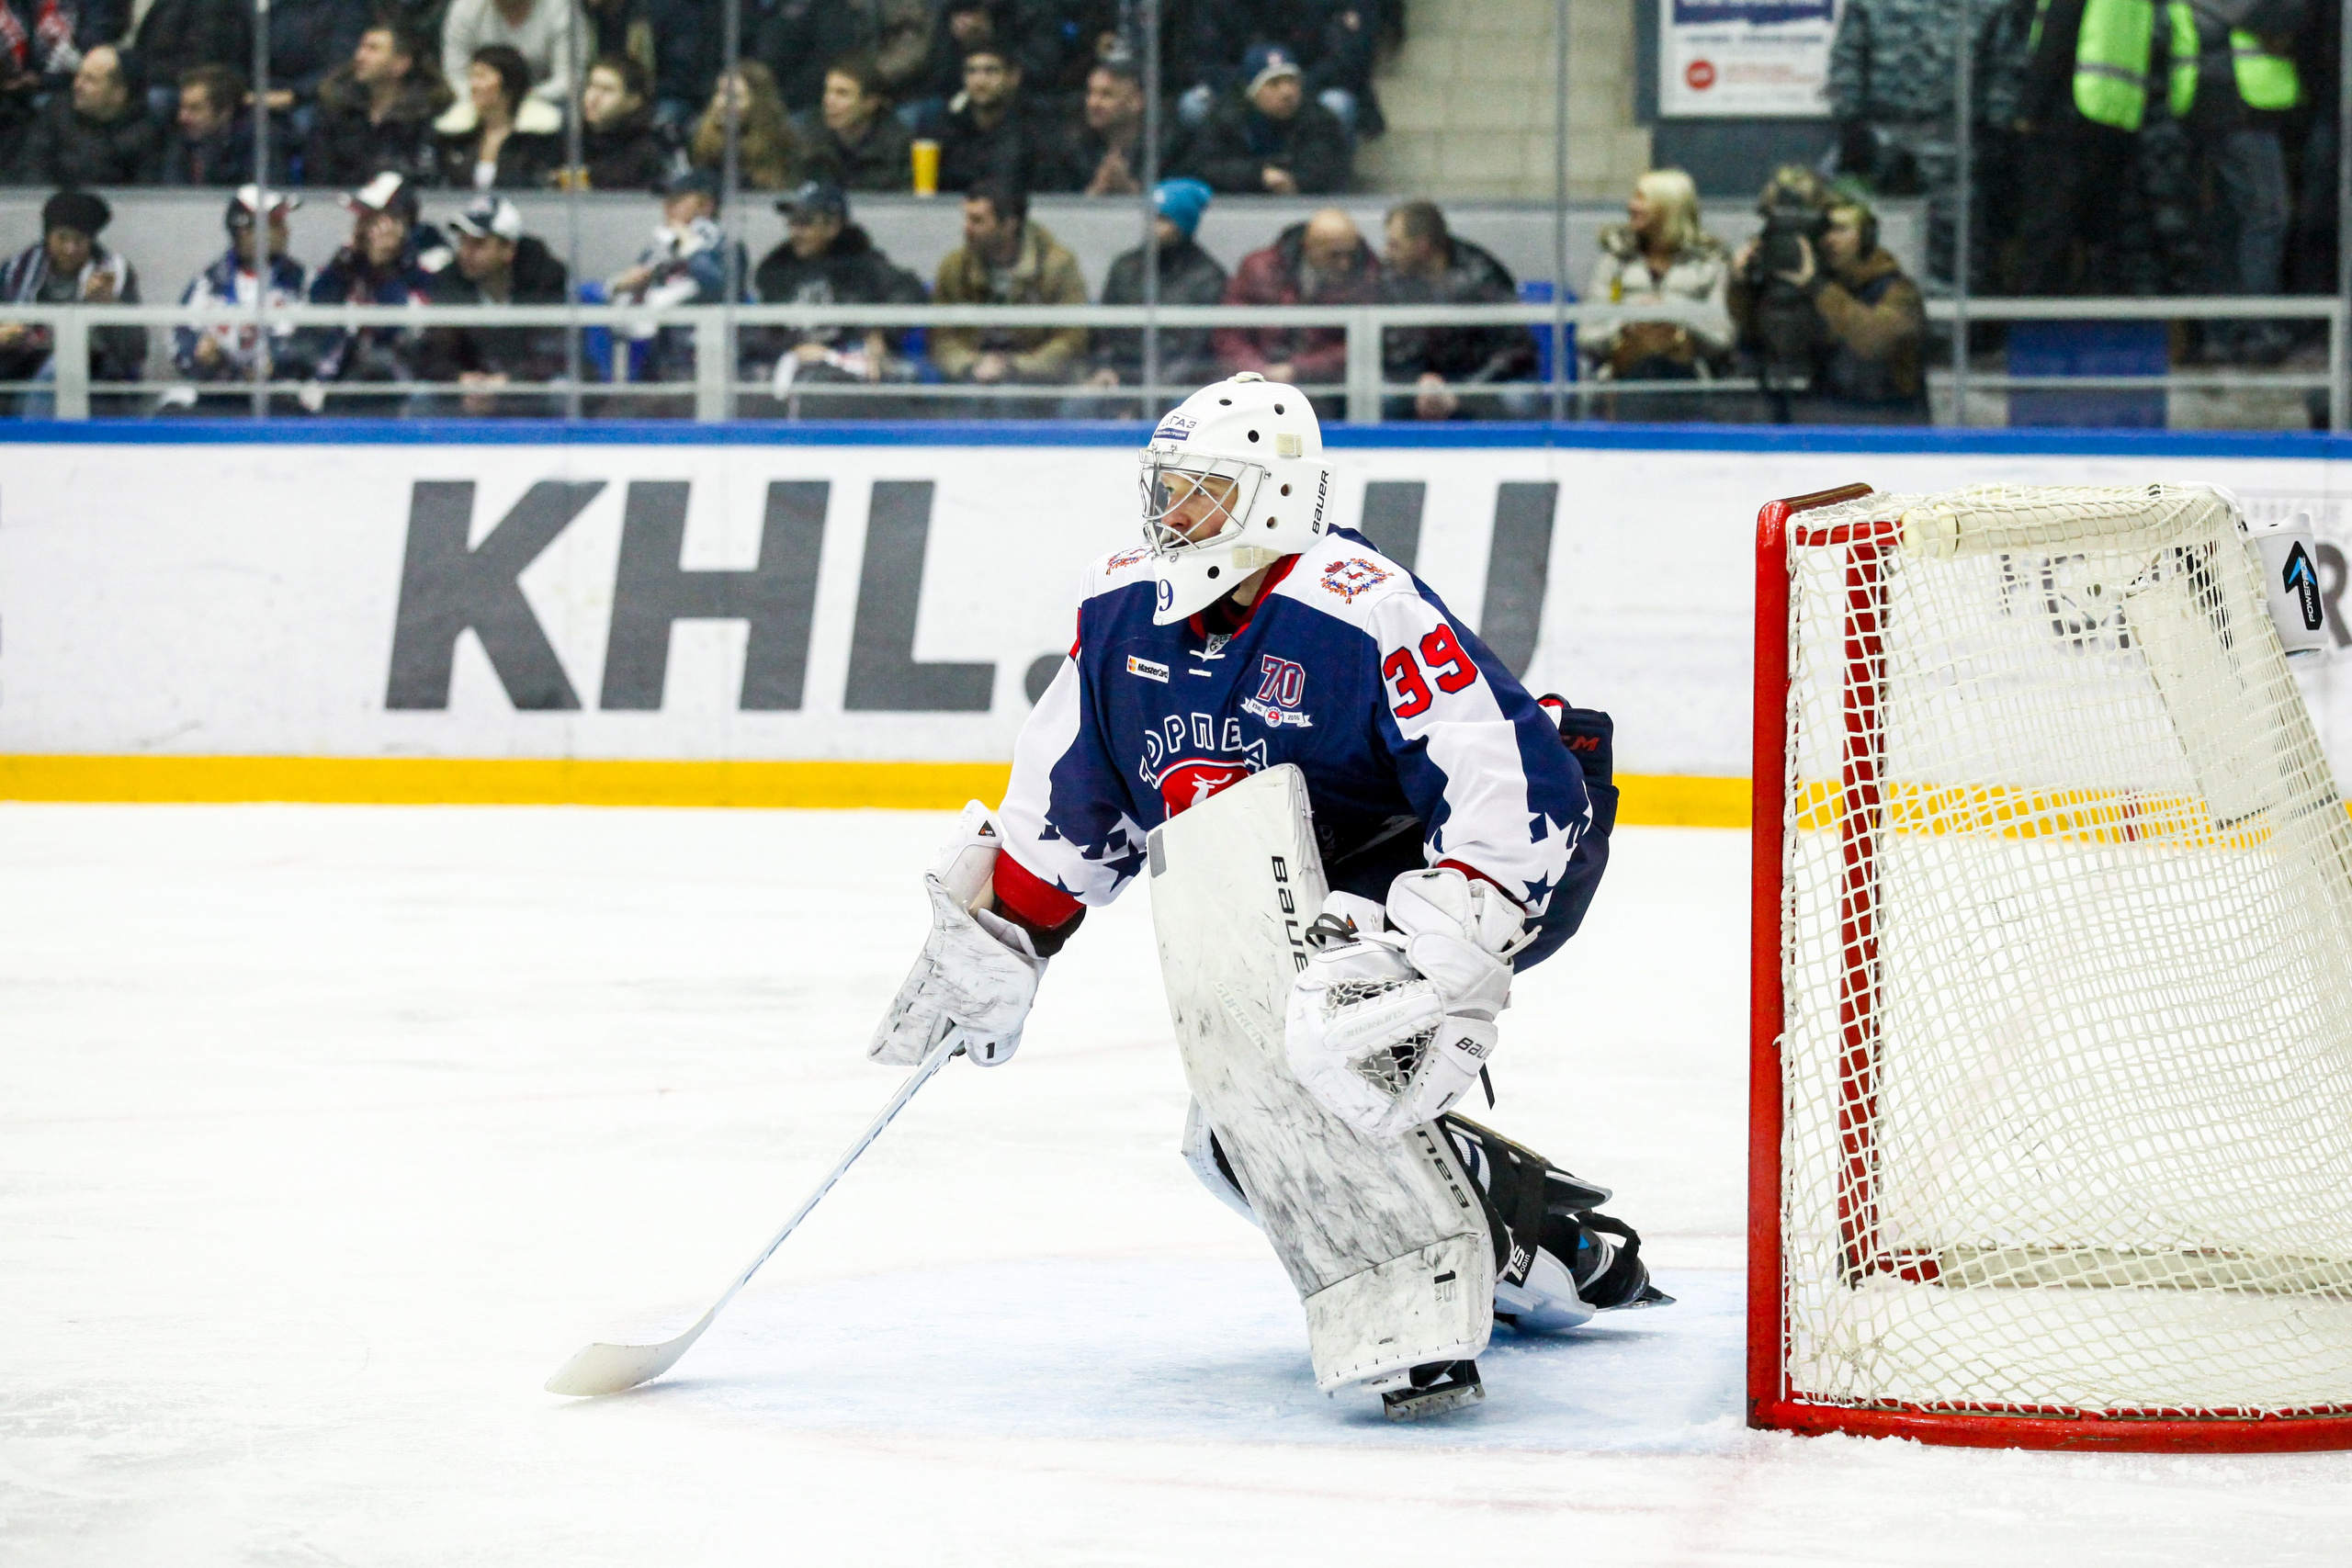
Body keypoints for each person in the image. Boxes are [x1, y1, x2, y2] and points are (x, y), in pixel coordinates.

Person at [867, 371, 1661, 1419]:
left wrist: (1448, 950)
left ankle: (1425, 1303)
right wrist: (999, 935)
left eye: (1201, 492)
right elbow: (1068, 800)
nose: (1169, 514)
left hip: (1498, 850)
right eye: (1166, 488)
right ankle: (1547, 1242)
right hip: (1320, 879)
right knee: (1231, 1136)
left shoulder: (1356, 603)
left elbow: (1513, 784)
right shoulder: (1120, 611)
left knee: (1328, 1040)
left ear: (1275, 500)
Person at [1825, 0, 2008, 288]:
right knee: (1862, 240)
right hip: (1881, 135)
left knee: (1958, 250)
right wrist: (1850, 123)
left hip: (1955, 140)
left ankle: (1946, 329)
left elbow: (2004, 66)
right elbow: (1848, 54)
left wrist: (1998, 130)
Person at [2166, 0, 2306, 363]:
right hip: (2236, 107)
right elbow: (2280, 15)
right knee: (2268, 216)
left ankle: (2220, 332)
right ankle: (2258, 329)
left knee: (2228, 224)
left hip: (2216, 105)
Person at [1730, 193, 1927, 423]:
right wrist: (1743, 285)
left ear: (1866, 237)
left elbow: (1875, 340)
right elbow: (1766, 337)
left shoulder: (1897, 290)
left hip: (1888, 424)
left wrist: (1816, 286)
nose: (1830, 240)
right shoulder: (1818, 287)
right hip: (1826, 418)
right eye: (1824, 231)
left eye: (1841, 229)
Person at [747, 180, 927, 417]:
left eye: (805, 223)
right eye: (792, 223)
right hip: (789, 366)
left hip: (847, 364)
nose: (795, 233)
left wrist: (878, 331)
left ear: (832, 227)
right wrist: (792, 348)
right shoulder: (776, 271)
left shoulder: (862, 264)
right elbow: (767, 333)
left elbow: (909, 292)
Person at [1580, 168, 1733, 417]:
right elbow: (1587, 336)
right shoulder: (1615, 261)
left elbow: (1723, 337)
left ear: (1668, 207)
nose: (1632, 206)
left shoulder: (1710, 263)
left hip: (1690, 380)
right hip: (1622, 380)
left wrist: (1675, 314)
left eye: (1642, 199)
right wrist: (1627, 323)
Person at [292, 170, 444, 412]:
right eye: (362, 216)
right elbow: (316, 310)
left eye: (372, 217)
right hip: (337, 377)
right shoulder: (353, 260)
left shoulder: (430, 261)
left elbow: (398, 327)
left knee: (377, 368)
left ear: (400, 220)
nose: (362, 225)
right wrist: (341, 267)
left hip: (401, 383)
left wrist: (384, 268)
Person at [929, 176, 1087, 403]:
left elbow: (1072, 340)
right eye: (966, 218)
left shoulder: (1057, 265)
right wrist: (970, 365)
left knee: (1012, 398)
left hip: (1040, 384)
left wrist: (1015, 367)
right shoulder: (954, 267)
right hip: (972, 378)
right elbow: (940, 338)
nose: (967, 228)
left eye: (977, 220)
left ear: (1009, 224)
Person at [1213, 207, 1379, 420]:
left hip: (1326, 389)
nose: (1344, 264)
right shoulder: (1259, 269)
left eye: (1350, 254)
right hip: (1253, 384)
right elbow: (1229, 332)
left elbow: (1364, 345)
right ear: (1309, 246)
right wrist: (1256, 371)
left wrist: (1298, 369)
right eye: (1334, 255)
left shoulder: (1368, 276)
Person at [1378, 198, 1535, 422]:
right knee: (1380, 396)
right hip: (1418, 382)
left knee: (1519, 399)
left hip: (1478, 380)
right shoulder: (1389, 278)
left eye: (1395, 245)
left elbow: (1516, 349)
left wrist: (1462, 392)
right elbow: (1387, 346)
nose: (1386, 253)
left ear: (1422, 246)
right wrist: (1417, 382)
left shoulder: (1482, 276)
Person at [415, 194, 571, 415]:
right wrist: (459, 379)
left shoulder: (544, 282)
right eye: (463, 242)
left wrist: (510, 382)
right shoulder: (449, 283)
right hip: (467, 400)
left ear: (508, 250)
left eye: (478, 244)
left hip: (529, 395)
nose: (465, 253)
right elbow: (431, 352)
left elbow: (557, 353)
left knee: (562, 391)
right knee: (423, 394)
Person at [1080, 176, 1227, 407]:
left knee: (1184, 406)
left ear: (1183, 225)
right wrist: (1104, 368)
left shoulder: (1208, 277)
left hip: (1175, 385)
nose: (1153, 227)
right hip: (1122, 376)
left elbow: (1194, 352)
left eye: (1163, 219)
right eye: (1151, 217)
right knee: (1081, 403)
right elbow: (1103, 331)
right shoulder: (1125, 267)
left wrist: (1146, 397)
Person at [0, 188, 147, 414]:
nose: (70, 248)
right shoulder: (16, 272)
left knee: (61, 368)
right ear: (48, 236)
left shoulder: (114, 273)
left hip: (95, 381)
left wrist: (109, 306)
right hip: (20, 373)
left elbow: (136, 350)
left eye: (78, 240)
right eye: (62, 238)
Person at [164, 186, 308, 412]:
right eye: (276, 224)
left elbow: (313, 343)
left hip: (277, 393)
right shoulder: (208, 282)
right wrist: (201, 355)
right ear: (244, 232)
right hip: (216, 390)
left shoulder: (301, 281)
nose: (286, 231)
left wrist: (277, 362)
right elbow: (179, 339)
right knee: (172, 411)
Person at [606, 167, 743, 385]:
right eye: (666, 199)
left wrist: (690, 246)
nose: (667, 207)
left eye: (677, 199)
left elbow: (721, 288)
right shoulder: (660, 246)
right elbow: (633, 296)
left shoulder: (726, 246)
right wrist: (621, 285)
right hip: (659, 357)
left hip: (708, 359)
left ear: (706, 205)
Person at [1182, 42, 1351, 197]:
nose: (1287, 92)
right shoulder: (1226, 119)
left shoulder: (1318, 119)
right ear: (1252, 92)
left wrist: (1294, 181)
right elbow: (1201, 167)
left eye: (1292, 81)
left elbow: (1330, 170)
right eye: (1274, 83)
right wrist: (1258, 176)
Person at [305, 20, 450, 190]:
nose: (360, 56)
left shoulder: (428, 114)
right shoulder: (336, 108)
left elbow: (428, 176)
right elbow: (318, 173)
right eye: (362, 47)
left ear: (401, 64)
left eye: (373, 49)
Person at [15, 44, 158, 187]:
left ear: (119, 93)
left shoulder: (145, 133)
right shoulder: (57, 112)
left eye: (90, 80)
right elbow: (33, 166)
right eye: (79, 75)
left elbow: (144, 194)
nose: (77, 85)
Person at [435, 43, 564, 189]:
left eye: (481, 76)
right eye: (471, 76)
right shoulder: (454, 137)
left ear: (508, 82)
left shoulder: (539, 139)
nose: (473, 85)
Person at [934, 41, 1058, 193]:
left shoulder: (1034, 129)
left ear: (1014, 76)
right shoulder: (947, 127)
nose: (980, 81)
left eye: (991, 71)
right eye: (972, 71)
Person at [797, 53, 913, 192]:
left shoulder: (898, 144)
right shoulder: (808, 135)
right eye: (828, 91)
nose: (829, 101)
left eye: (842, 93)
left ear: (871, 102)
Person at [555, 52, 673, 190]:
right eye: (592, 86)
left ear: (634, 100)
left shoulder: (646, 154)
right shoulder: (569, 142)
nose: (593, 98)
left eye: (607, 90)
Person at [439, 0, 581, 110]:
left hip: (543, 100)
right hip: (478, 100)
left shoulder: (560, 9)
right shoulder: (465, 7)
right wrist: (480, 102)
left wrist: (519, 103)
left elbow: (569, 79)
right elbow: (457, 74)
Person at [688, 60, 807, 190]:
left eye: (734, 96)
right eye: (720, 93)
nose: (721, 103)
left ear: (759, 102)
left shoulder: (784, 143)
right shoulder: (699, 141)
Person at [157, 63, 254, 186]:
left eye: (195, 108)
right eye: (182, 107)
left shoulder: (257, 144)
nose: (182, 117)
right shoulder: (180, 140)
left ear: (225, 110)